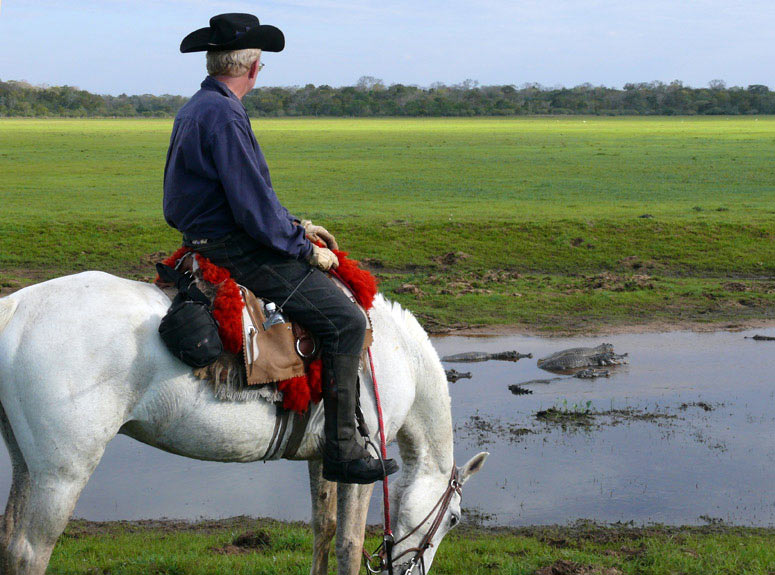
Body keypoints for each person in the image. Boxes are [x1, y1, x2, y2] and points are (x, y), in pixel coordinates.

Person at [163, 13, 398, 485]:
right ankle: (343, 450)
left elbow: (239, 198)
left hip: (202, 238)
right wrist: (304, 248)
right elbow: (251, 207)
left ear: (213, 63)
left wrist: (293, 224)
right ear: (253, 69)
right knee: (347, 322)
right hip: (236, 249)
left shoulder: (195, 107)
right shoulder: (226, 115)